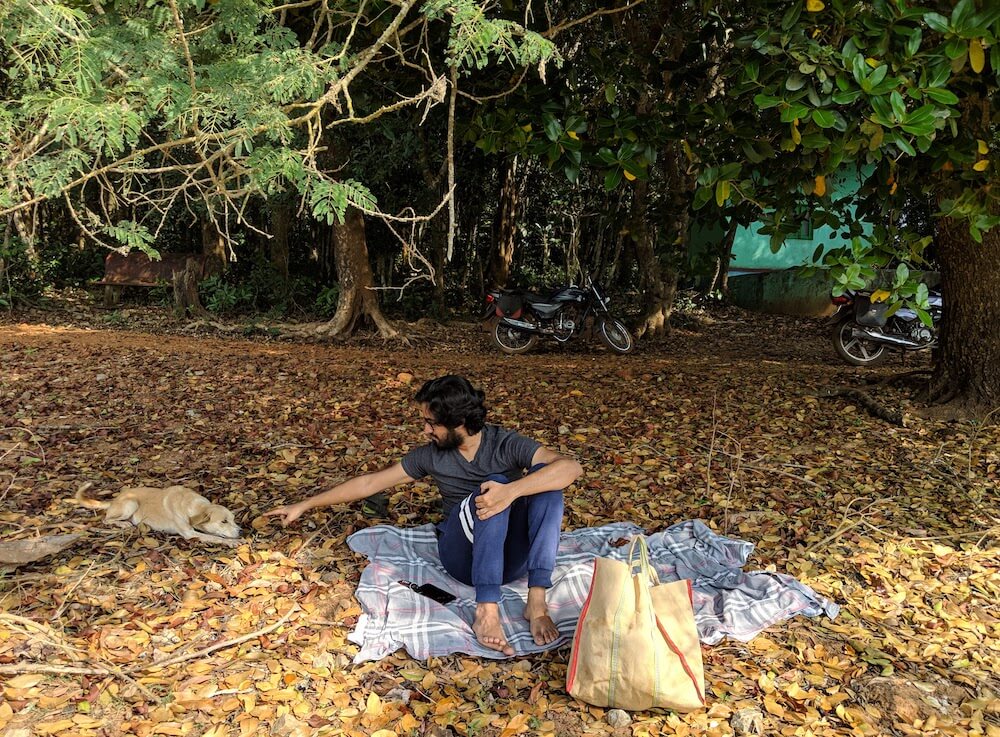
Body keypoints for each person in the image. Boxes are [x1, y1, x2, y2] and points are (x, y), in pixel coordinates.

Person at [265, 375, 583, 656]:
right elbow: (371, 482)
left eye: (432, 423)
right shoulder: (430, 456)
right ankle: (487, 611)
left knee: (546, 486)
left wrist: (513, 492)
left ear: (457, 422)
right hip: (463, 559)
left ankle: (537, 602)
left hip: (511, 561)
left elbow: (570, 468)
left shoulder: (504, 443)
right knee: (495, 487)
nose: (425, 430)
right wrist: (305, 504)